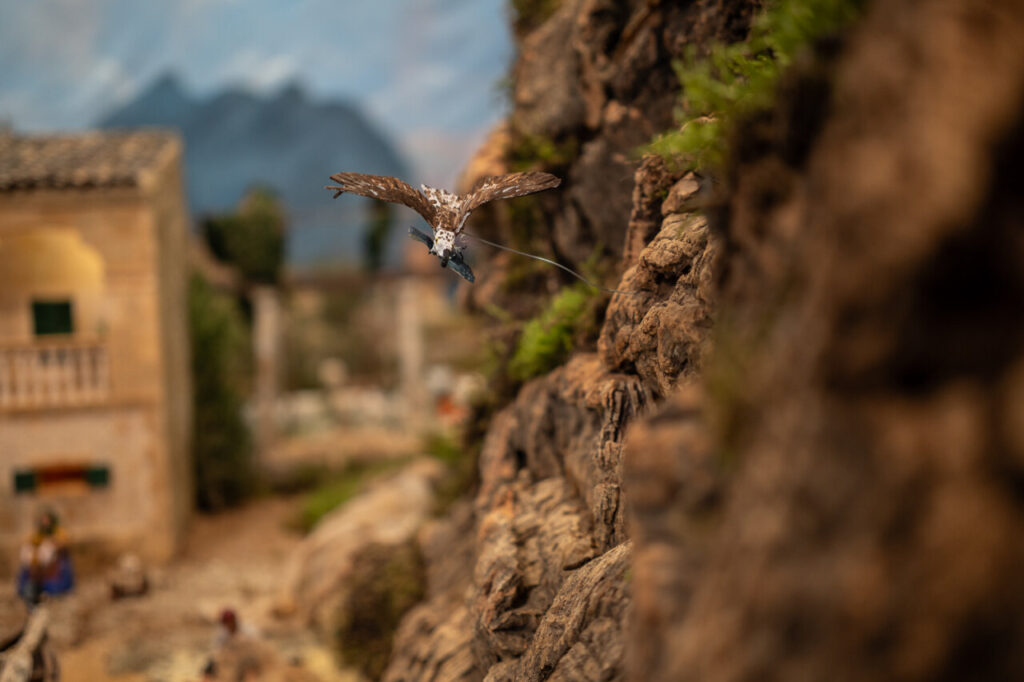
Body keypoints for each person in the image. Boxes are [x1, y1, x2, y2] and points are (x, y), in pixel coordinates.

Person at [16, 508, 74, 605]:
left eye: (47, 520)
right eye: (43, 521)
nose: (45, 523)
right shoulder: (38, 535)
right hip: (40, 562)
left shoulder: (59, 532)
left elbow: (63, 542)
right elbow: (31, 542)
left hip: (54, 560)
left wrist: (54, 544)